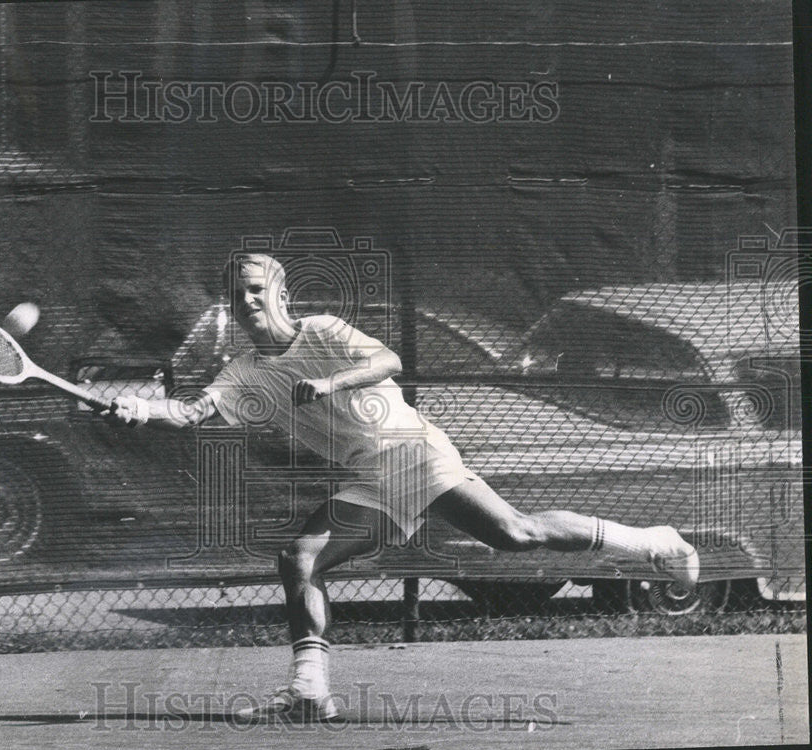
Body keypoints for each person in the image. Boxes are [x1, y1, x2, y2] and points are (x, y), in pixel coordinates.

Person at [105, 253, 699, 721]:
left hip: (413, 451)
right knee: (300, 559)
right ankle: (309, 693)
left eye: (257, 289)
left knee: (514, 534)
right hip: (368, 477)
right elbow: (190, 414)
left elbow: (387, 359)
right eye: (237, 294)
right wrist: (135, 408)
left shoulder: (324, 330)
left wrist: (330, 380)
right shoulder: (241, 372)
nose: (247, 300)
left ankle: (652, 543)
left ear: (281, 294)